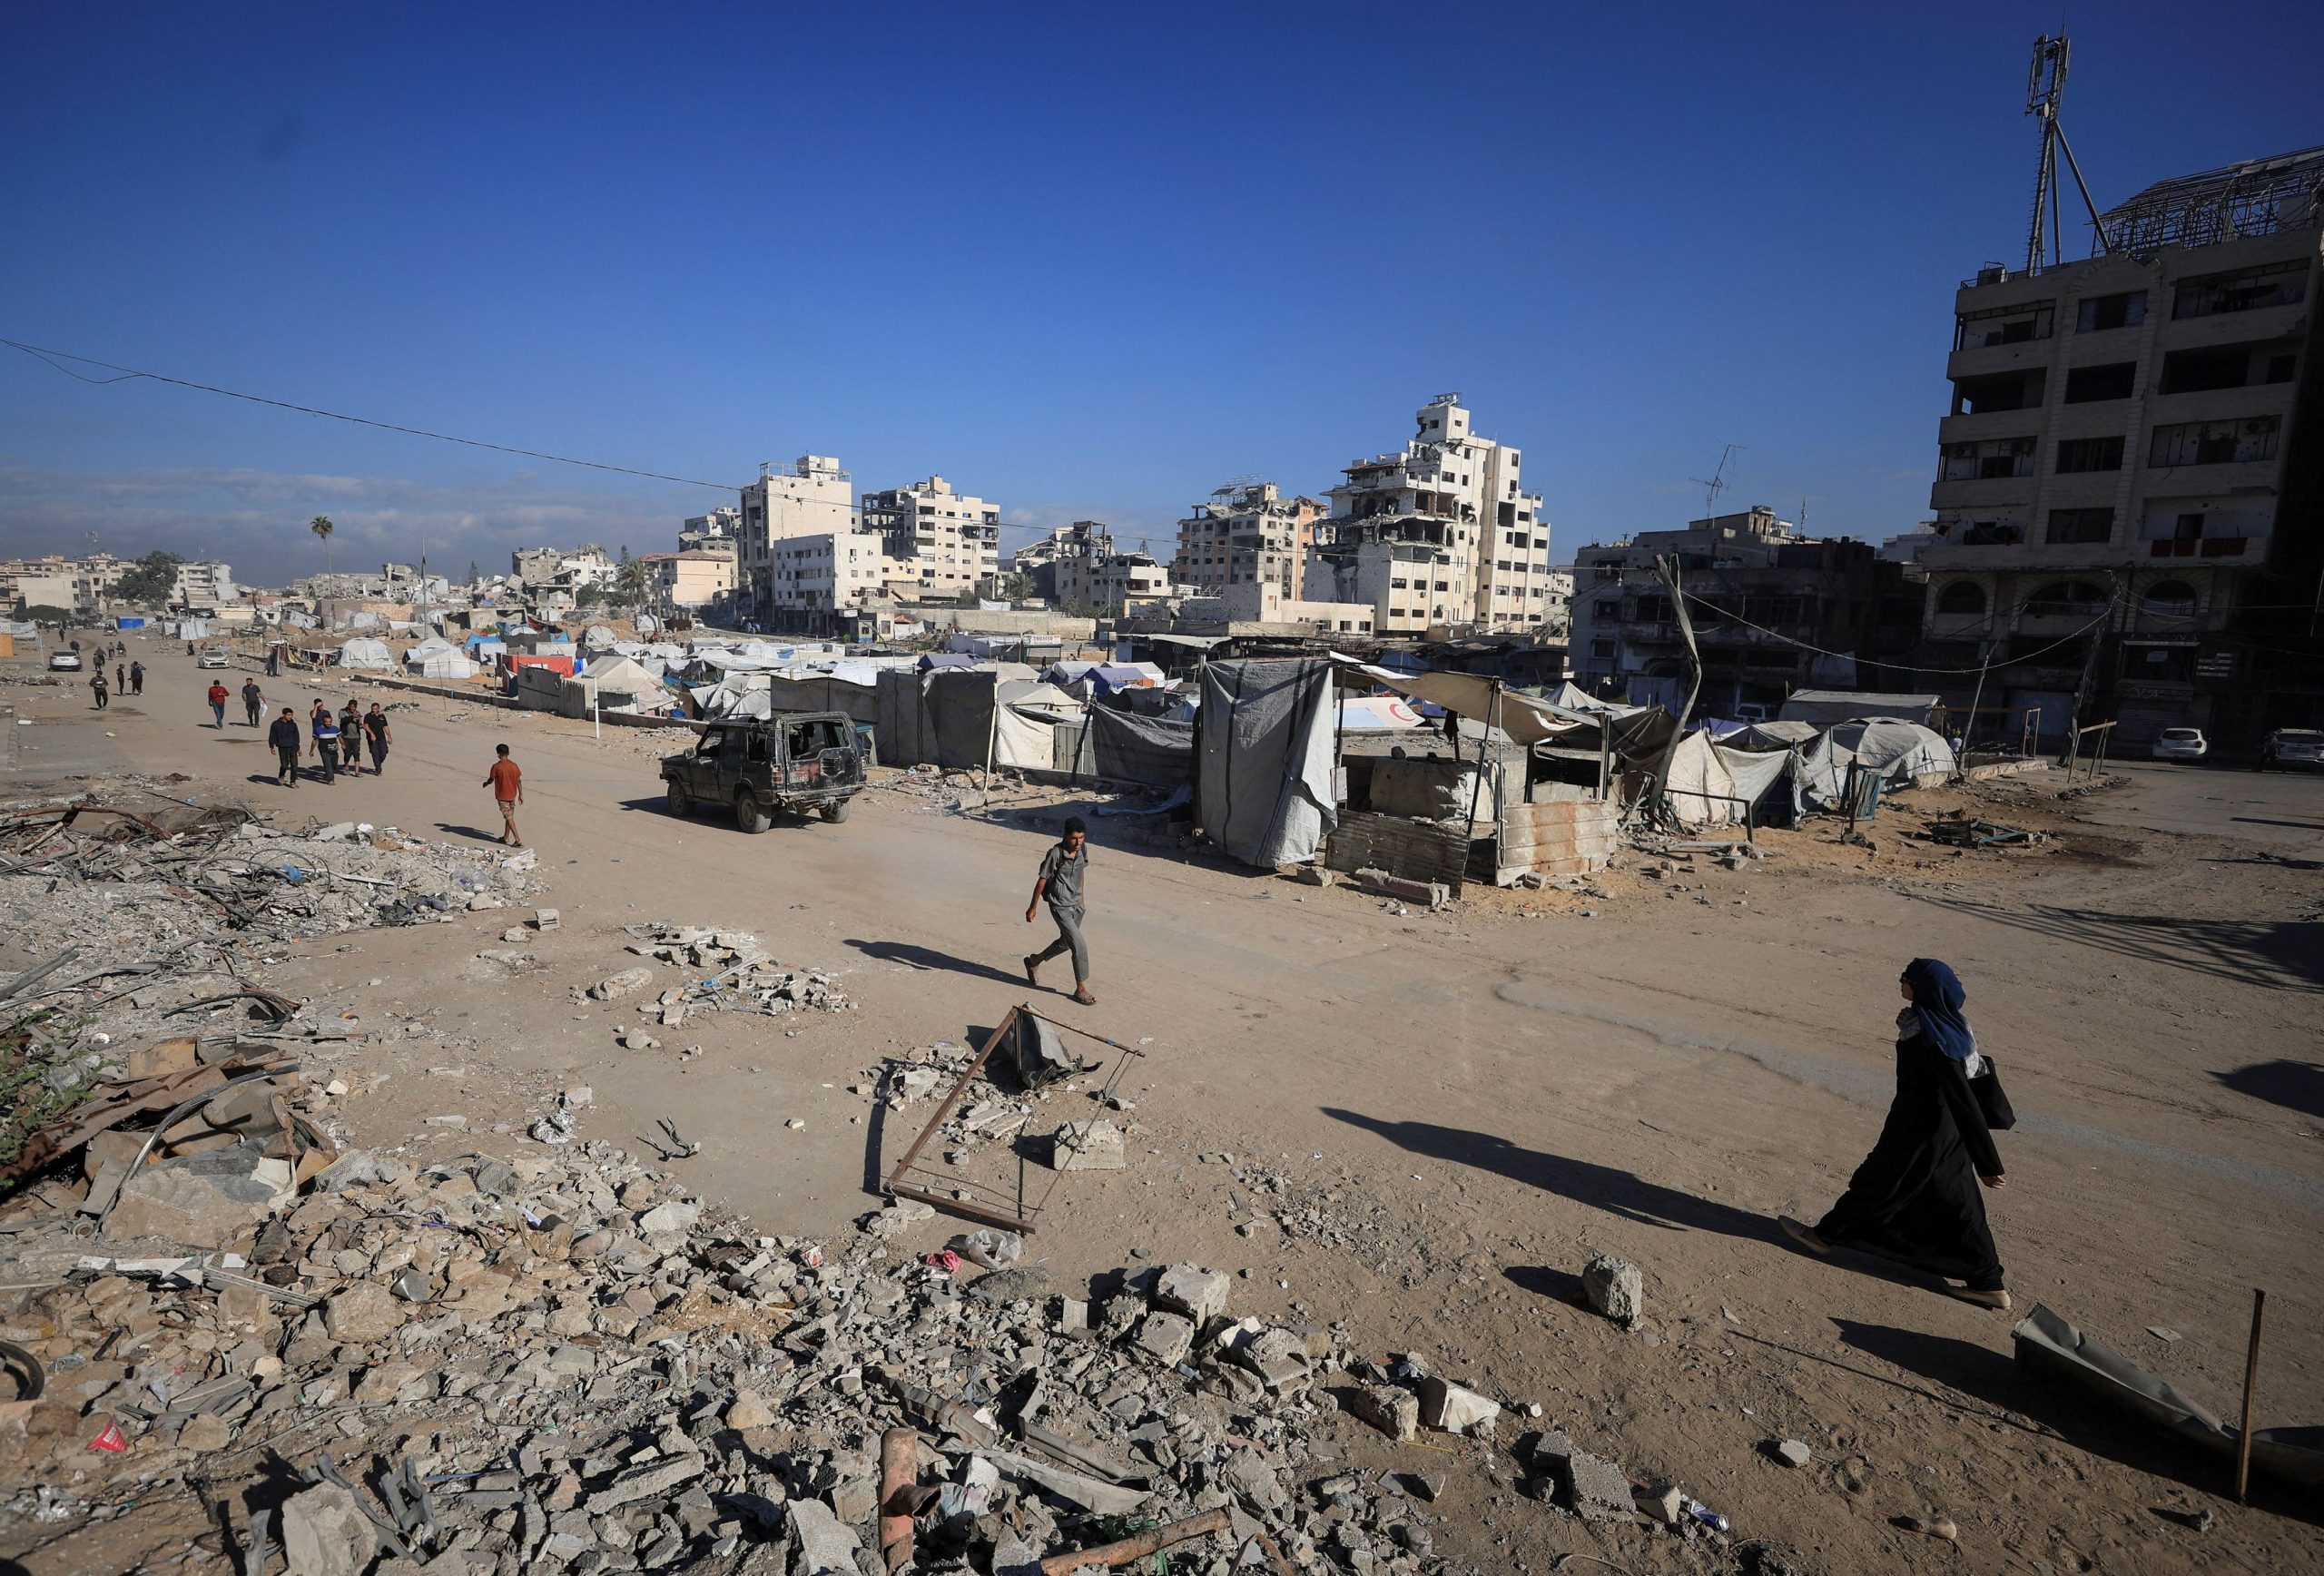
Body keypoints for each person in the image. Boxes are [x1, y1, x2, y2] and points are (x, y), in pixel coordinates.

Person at [1780, 959, 2011, 1310]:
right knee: (1960, 1201)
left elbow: (1963, 1099)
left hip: (1918, 1130)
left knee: (1878, 1181)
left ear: (1923, 989)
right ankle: (1988, 1282)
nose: (1901, 983)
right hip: (1943, 1133)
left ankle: (1823, 1236)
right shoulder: (1945, 1024)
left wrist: (1989, 1164)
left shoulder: (1931, 1037)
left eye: (1906, 979)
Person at [1022, 816, 1096, 1005]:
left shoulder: (1082, 849)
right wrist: (1033, 907)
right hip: (1060, 906)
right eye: (1074, 838)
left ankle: (1035, 961)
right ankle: (1081, 988)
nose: (1078, 842)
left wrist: (1082, 900)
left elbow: (1081, 873)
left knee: (1065, 943)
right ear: (1065, 836)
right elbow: (1042, 880)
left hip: (1077, 905)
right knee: (1079, 944)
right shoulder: (1055, 854)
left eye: (1081, 837)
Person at [484, 744, 524, 846]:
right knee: (509, 817)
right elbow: (518, 781)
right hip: (512, 795)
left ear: (498, 754)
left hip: (502, 797)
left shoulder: (496, 767)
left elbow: (491, 779)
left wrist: (486, 783)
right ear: (508, 753)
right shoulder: (514, 766)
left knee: (509, 817)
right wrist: (521, 794)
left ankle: (518, 840)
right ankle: (506, 837)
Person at [268, 707, 302, 786]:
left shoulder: (293, 725)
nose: (291, 717)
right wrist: (272, 747)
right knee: (284, 765)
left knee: (294, 765)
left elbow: (296, 737)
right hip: (282, 747)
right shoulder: (276, 724)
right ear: (284, 715)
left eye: (292, 715)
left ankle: (293, 782)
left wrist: (298, 748)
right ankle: (281, 776)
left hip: (293, 747)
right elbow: (272, 735)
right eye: (289, 715)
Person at [310, 703, 340, 784]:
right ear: (323, 722)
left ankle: (328, 773)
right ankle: (331, 779)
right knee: (327, 763)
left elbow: (340, 737)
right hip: (323, 749)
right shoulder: (318, 729)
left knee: (334, 764)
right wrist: (311, 750)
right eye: (327, 722)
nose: (328, 723)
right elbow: (314, 740)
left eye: (330, 722)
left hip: (333, 750)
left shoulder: (335, 728)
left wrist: (343, 744)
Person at [362, 703, 392, 777]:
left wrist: (389, 736)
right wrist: (371, 734)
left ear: (378, 709)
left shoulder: (382, 716)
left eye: (375, 709)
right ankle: (378, 769)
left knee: (384, 752)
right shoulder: (368, 716)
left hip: (381, 737)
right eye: (372, 709)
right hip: (372, 739)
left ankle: (378, 764)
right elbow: (365, 726)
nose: (374, 710)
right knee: (375, 754)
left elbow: (385, 726)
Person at [339, 701, 363, 773]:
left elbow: (359, 724)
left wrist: (361, 726)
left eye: (355, 707)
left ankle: (357, 772)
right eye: (352, 707)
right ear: (348, 706)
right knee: (347, 754)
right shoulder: (342, 711)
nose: (353, 709)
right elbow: (342, 721)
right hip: (346, 737)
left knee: (356, 753)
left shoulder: (357, 713)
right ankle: (346, 765)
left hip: (356, 737)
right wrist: (352, 716)